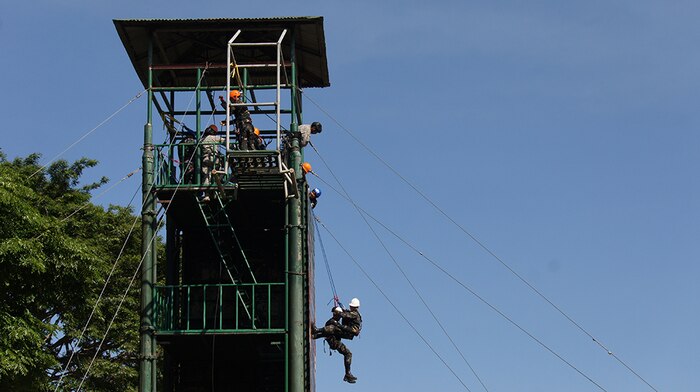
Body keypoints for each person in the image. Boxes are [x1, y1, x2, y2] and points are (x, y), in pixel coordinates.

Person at [313, 306, 357, 383]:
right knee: (332, 329)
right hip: (334, 342)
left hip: (336, 342)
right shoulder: (332, 322)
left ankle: (347, 374)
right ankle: (316, 331)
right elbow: (328, 331)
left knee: (348, 353)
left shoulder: (336, 323)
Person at [201, 124, 224, 193]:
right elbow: (225, 142)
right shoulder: (213, 138)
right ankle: (217, 188)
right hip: (213, 159)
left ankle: (206, 195)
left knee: (206, 176)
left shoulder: (202, 139)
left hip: (205, 159)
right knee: (217, 173)